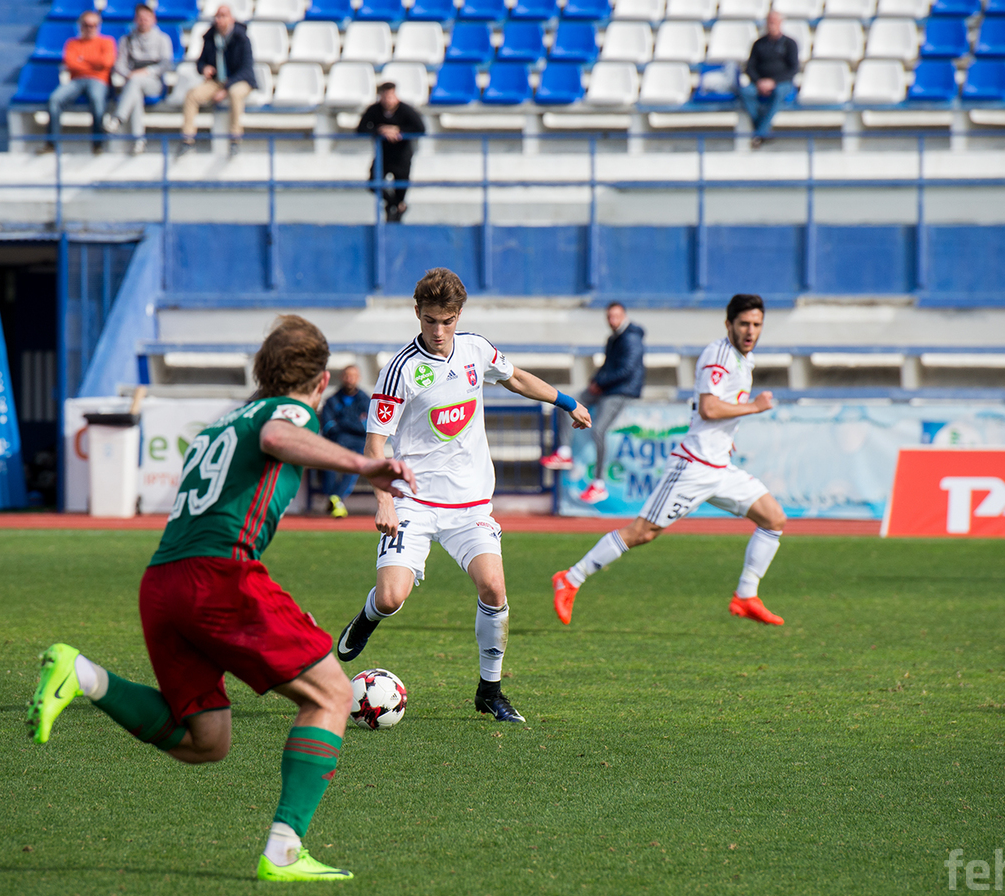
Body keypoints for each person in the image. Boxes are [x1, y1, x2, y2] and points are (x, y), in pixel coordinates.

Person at [27, 315, 416, 883]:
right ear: (320, 381)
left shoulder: (221, 424)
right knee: (333, 693)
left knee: (205, 739)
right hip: (218, 576)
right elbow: (279, 436)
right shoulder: (289, 411)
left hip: (163, 582)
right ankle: (284, 851)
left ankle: (80, 673)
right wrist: (364, 465)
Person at [333, 268, 592, 723]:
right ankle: (368, 618)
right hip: (413, 502)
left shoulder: (475, 349)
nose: (439, 331)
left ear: (459, 316)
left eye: (447, 321)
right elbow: (375, 446)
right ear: (417, 313)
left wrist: (567, 402)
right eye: (430, 320)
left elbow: (516, 378)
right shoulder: (399, 371)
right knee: (391, 597)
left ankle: (490, 691)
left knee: (494, 588)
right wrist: (384, 500)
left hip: (470, 504)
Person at [551, 294, 789, 628]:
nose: (751, 331)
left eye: (757, 325)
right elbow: (708, 407)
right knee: (642, 532)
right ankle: (571, 578)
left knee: (774, 518)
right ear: (729, 324)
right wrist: (755, 407)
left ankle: (746, 596)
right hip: (693, 466)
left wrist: (726, 437)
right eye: (744, 324)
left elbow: (710, 410)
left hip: (720, 467)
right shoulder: (719, 355)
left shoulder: (743, 359)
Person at [539, 302, 644, 504]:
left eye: (616, 316)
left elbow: (627, 370)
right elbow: (608, 366)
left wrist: (600, 383)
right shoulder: (614, 338)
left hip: (622, 391)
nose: (612, 320)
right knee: (567, 402)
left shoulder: (630, 338)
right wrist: (595, 382)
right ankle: (564, 452)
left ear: (624, 316)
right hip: (608, 388)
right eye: (609, 317)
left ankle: (599, 483)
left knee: (598, 430)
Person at [179, 4, 256, 155]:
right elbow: (200, 62)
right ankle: (187, 139)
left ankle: (235, 138)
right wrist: (204, 68)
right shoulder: (210, 37)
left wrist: (226, 88)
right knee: (192, 95)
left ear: (231, 18)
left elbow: (246, 69)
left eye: (223, 16)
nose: (219, 19)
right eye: (217, 16)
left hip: (238, 80)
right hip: (216, 81)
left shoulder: (242, 39)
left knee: (235, 94)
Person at [45, 11, 115, 153]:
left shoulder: (107, 42)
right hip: (76, 80)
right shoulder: (72, 43)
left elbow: (106, 63)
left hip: (98, 80)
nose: (90, 28)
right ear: (81, 26)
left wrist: (82, 59)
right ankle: (52, 144)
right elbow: (71, 64)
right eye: (86, 25)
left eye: (93, 25)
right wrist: (95, 64)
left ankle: (98, 144)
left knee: (97, 100)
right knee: (55, 99)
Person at [356, 82, 425, 223]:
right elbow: (361, 129)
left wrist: (399, 131)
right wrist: (380, 130)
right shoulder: (374, 110)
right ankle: (395, 205)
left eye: (390, 96)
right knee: (373, 182)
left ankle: (396, 215)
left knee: (401, 187)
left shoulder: (406, 110)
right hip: (383, 155)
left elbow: (420, 128)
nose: (388, 100)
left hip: (402, 156)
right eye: (385, 97)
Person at [111, 4, 173, 155]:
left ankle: (118, 118)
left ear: (153, 19)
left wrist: (146, 72)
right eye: (140, 18)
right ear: (135, 20)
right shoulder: (127, 39)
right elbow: (119, 65)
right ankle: (139, 141)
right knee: (135, 94)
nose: (143, 21)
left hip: (154, 82)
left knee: (135, 82)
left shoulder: (162, 39)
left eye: (146, 18)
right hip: (132, 82)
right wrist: (128, 74)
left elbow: (166, 64)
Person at [739, 11, 799, 149]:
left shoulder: (789, 44)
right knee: (745, 92)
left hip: (781, 83)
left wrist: (773, 82)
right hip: (759, 83)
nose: (771, 25)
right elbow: (750, 67)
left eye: (774, 22)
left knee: (778, 92)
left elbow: (793, 69)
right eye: (769, 22)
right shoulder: (758, 44)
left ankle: (759, 133)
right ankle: (764, 131)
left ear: (780, 23)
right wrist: (759, 82)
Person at [319, 364, 368, 518]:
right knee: (328, 463)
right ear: (342, 377)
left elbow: (366, 427)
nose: (349, 379)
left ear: (358, 378)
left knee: (355, 466)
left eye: (353, 376)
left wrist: (343, 423)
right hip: (337, 442)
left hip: (357, 443)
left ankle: (334, 498)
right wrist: (352, 424)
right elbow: (328, 426)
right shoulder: (332, 400)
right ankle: (335, 499)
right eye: (347, 375)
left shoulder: (365, 400)